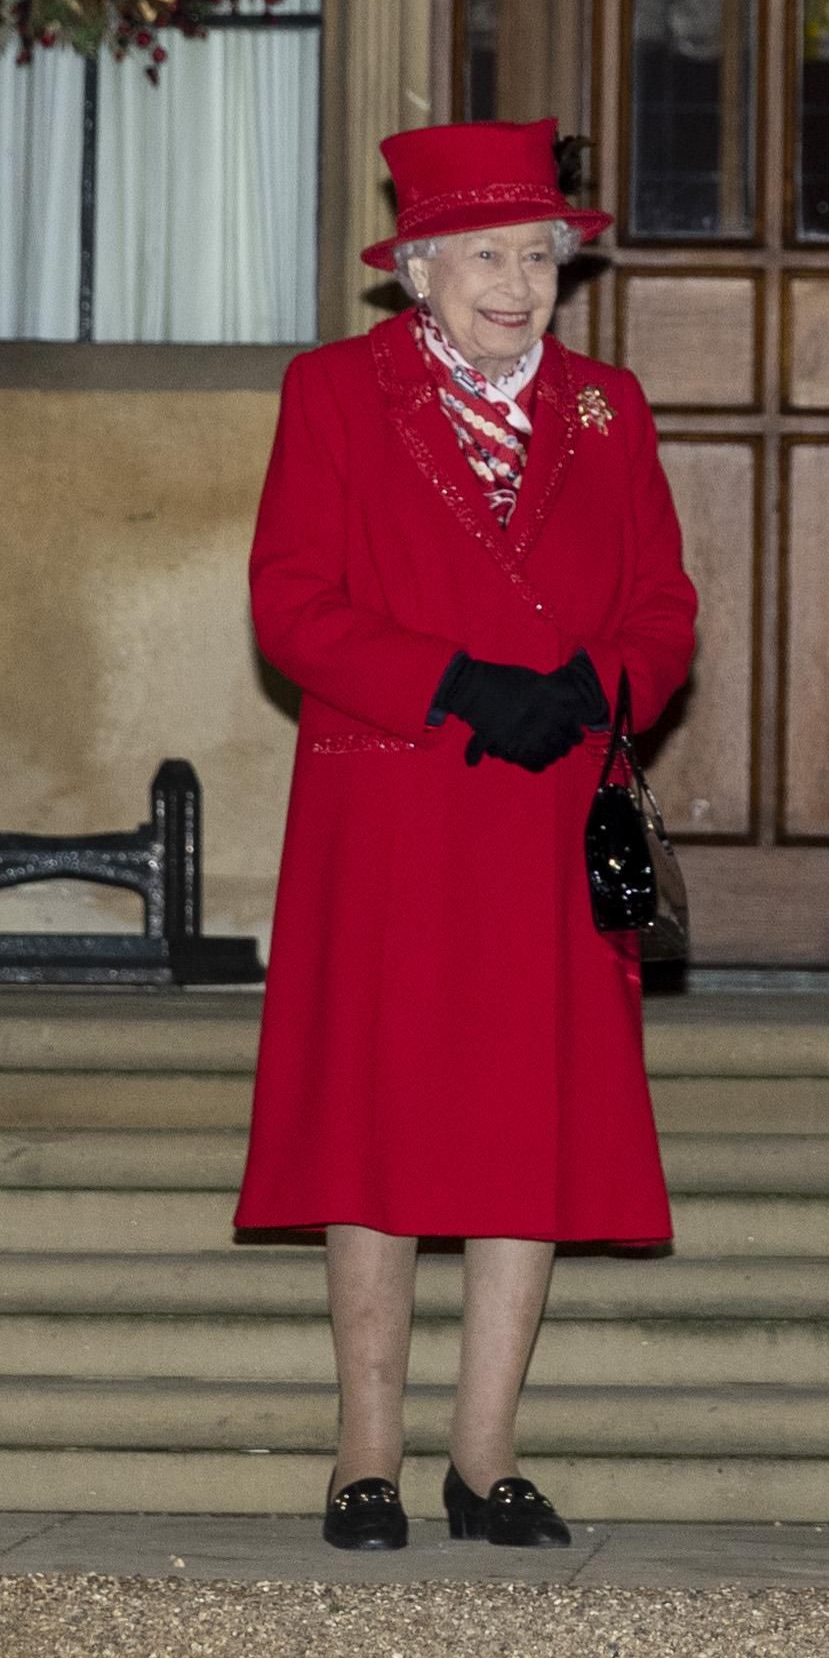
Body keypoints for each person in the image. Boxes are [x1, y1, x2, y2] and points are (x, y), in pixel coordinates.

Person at [237, 120, 698, 1554]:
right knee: (375, 1125)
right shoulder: (332, 394)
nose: (518, 283)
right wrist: (454, 684)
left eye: (541, 256)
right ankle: (363, 1456)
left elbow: (665, 609)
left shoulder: (610, 409)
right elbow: (291, 605)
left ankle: (485, 1457)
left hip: (549, 811)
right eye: (488, 255)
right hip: (394, 805)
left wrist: (596, 694)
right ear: (418, 269)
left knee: (527, 1128)